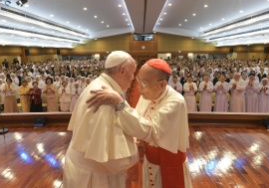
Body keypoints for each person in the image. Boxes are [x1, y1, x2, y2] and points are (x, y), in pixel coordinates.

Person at [86, 58, 191, 188]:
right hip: (151, 158)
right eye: (138, 80)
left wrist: (119, 103)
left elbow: (151, 130)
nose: (139, 87)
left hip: (170, 162)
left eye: (144, 82)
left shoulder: (175, 102)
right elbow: (138, 118)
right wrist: (135, 136)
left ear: (162, 85)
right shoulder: (148, 95)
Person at [63, 51, 139, 188]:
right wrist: (133, 146)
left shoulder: (99, 84)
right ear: (122, 71)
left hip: (81, 167)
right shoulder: (105, 96)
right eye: (133, 72)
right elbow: (116, 161)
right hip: (95, 177)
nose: (133, 78)